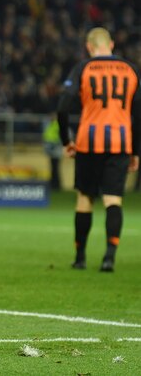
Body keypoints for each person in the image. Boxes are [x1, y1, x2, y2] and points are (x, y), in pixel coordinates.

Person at [57, 27, 141, 272]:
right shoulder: (131, 70)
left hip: (87, 143)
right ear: (112, 45)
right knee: (113, 200)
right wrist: (135, 150)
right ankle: (109, 257)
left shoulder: (83, 68)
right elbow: (139, 115)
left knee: (84, 198)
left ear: (89, 47)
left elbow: (63, 107)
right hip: (120, 144)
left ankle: (80, 257)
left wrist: (66, 140)